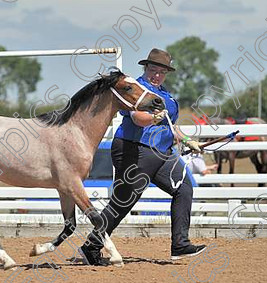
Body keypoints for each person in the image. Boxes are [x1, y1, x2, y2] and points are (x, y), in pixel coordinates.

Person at [79, 48, 207, 265]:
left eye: (162, 72)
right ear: (145, 68)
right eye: (153, 69)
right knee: (123, 202)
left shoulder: (166, 94)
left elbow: (170, 124)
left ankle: (180, 244)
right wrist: (154, 118)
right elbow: (138, 118)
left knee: (184, 188)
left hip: (162, 152)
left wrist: (188, 141)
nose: (157, 75)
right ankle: (91, 247)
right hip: (134, 148)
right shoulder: (136, 89)